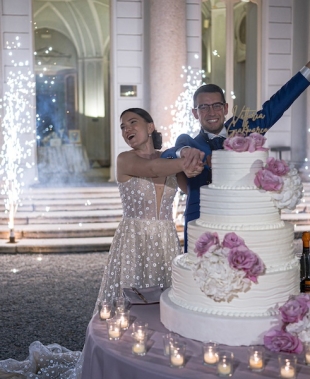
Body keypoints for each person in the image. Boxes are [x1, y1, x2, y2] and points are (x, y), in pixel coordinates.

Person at [0, 108, 203, 379]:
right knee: (127, 308)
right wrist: (187, 153)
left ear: (150, 126)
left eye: (133, 122)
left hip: (166, 240)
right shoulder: (124, 160)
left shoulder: (170, 156)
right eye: (122, 126)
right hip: (133, 241)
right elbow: (154, 168)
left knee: (163, 308)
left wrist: (192, 158)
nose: (126, 129)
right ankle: (120, 366)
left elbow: (191, 186)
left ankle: (156, 365)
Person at [162, 61, 310, 251]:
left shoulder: (246, 130)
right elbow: (168, 154)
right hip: (201, 224)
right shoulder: (189, 143)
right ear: (195, 113)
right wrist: (184, 153)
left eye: (216, 105)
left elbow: (277, 104)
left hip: (244, 221)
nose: (211, 112)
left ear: (225, 108)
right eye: (204, 107)